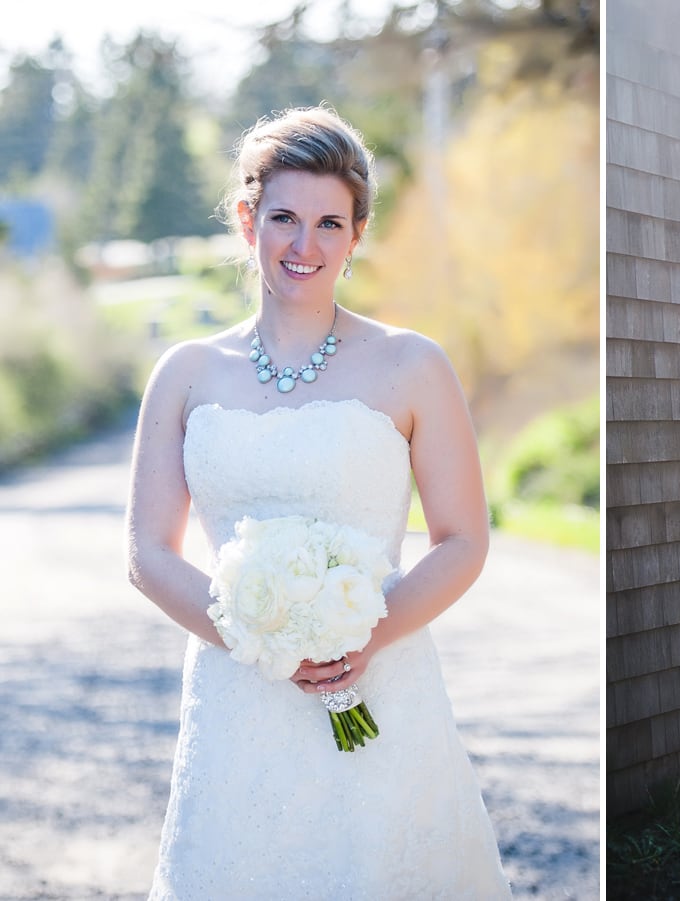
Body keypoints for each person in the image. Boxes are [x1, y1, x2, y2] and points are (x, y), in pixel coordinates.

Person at [125, 106, 511, 897]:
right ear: (247, 219)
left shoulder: (411, 365)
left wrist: (359, 641)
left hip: (381, 688)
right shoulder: (186, 373)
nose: (306, 246)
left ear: (357, 233)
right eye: (285, 219)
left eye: (330, 223)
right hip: (238, 701)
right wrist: (259, 637)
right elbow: (148, 555)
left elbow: (463, 539)